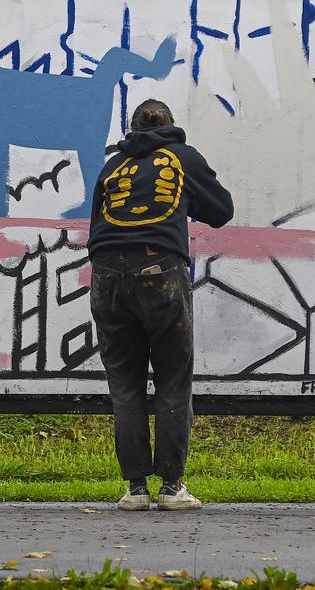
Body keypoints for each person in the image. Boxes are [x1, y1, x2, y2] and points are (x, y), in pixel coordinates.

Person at [88, 98, 233, 512]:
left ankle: (135, 490)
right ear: (170, 125)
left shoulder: (111, 166)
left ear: (131, 129)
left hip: (105, 277)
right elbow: (222, 210)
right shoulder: (182, 157)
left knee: (125, 384)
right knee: (172, 379)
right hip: (159, 272)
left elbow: (98, 223)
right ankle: (172, 487)